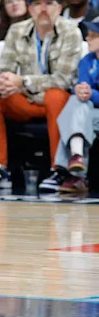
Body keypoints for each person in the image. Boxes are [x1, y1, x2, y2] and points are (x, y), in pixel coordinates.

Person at [0, 0, 79, 190]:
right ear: (30, 9)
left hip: (58, 103)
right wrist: (4, 85)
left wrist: (22, 82)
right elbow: (0, 72)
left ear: (59, 8)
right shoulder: (17, 31)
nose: (43, 9)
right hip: (27, 99)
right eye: (37, 4)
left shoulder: (71, 32)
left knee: (55, 96)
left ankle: (58, 169)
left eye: (49, 3)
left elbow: (64, 79)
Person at [44, 20, 99, 194]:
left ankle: (74, 174)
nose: (87, 38)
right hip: (90, 110)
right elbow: (83, 84)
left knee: (77, 111)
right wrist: (80, 89)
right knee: (77, 103)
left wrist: (91, 94)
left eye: (93, 35)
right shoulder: (87, 60)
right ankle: (77, 158)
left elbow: (91, 94)